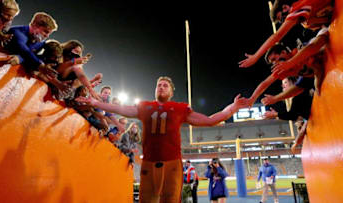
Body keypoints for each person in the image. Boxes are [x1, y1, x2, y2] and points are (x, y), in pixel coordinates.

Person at [76, 76, 248, 203]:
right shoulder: (144, 106)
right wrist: (95, 102)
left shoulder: (179, 108)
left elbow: (210, 120)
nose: (161, 87)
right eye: (158, 85)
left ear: (172, 92)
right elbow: (120, 108)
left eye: (165, 85)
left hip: (172, 163)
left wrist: (232, 108)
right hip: (149, 163)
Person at [239, 0, 333, 68]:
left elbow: (277, 36)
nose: (285, 21)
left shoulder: (297, 8)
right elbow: (326, 20)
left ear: (285, 8)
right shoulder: (304, 21)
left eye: (282, 18)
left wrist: (256, 56)